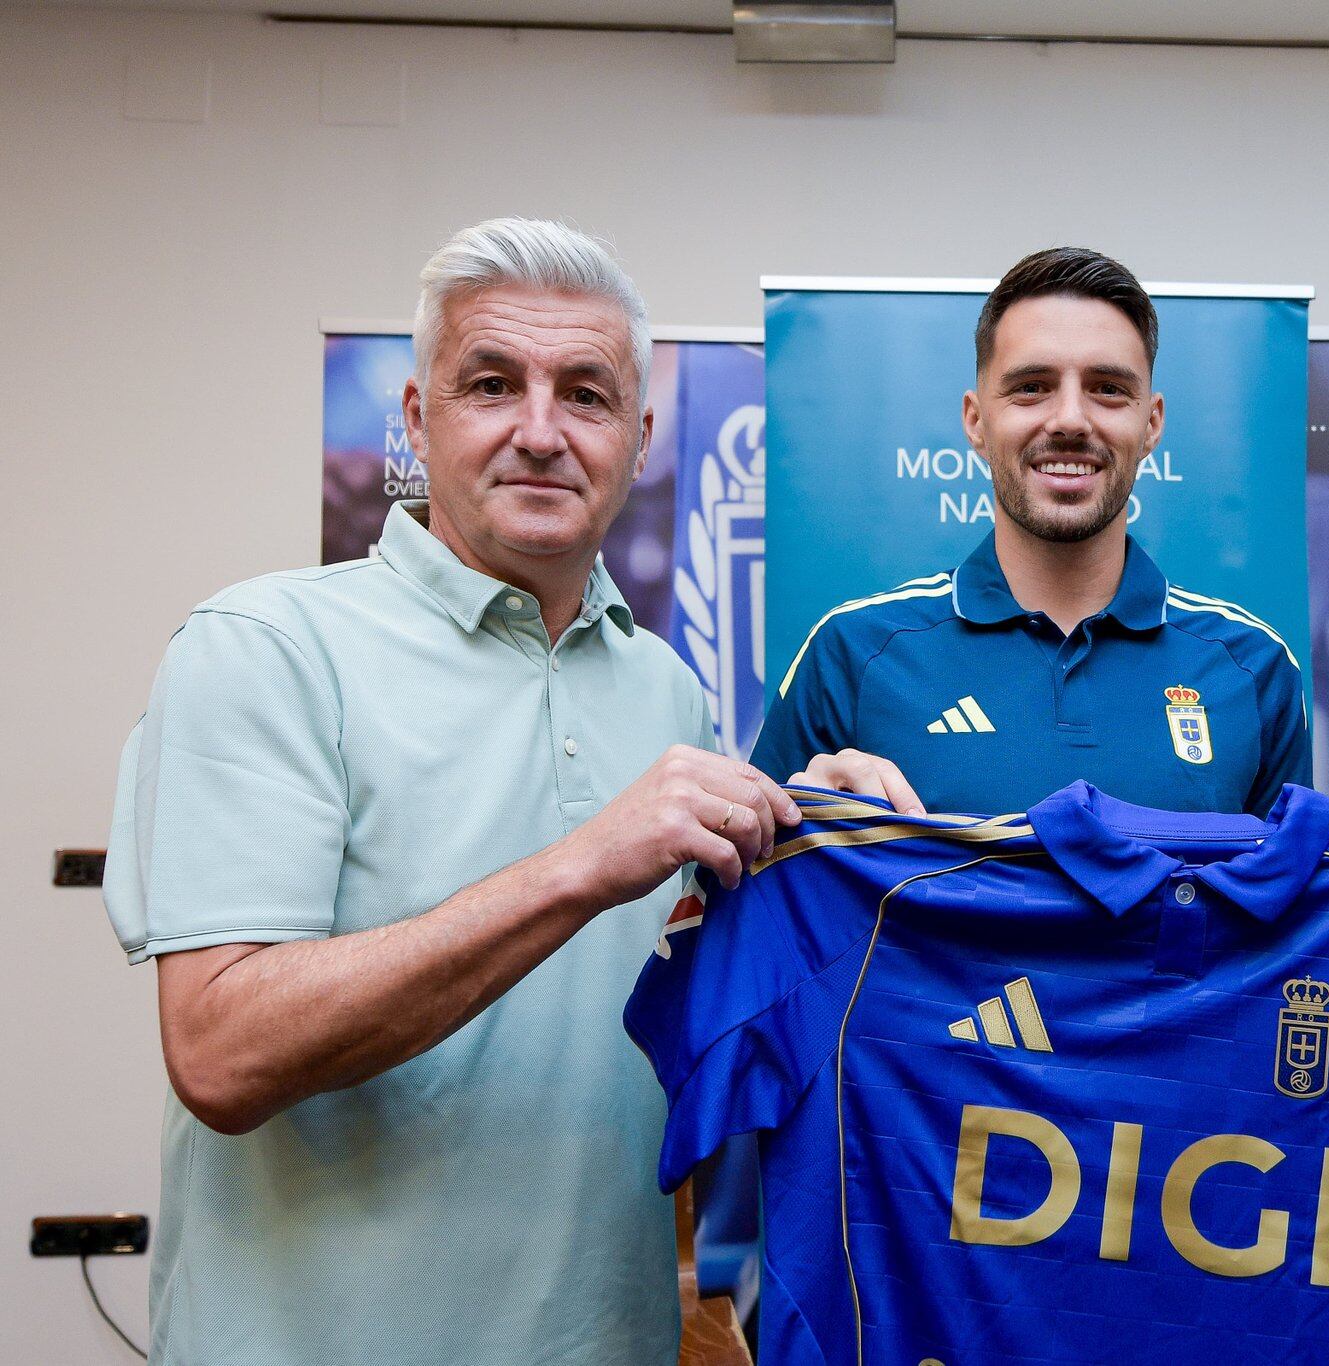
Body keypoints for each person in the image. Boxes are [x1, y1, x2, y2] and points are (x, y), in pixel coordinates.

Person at [101, 217, 799, 1365]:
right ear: (419, 419)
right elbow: (220, 1054)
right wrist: (582, 866)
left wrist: (828, 834)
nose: (540, 432)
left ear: (638, 435)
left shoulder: (663, 691)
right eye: (491, 384)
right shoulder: (266, 646)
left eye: (584, 394)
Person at [754, 246, 1329, 831]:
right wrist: (788, 828)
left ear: (1152, 424)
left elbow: (1287, 941)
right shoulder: (850, 655)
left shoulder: (1252, 668)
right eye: (1031, 386)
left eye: (1108, 388)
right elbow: (743, 918)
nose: (1070, 418)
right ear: (976, 421)